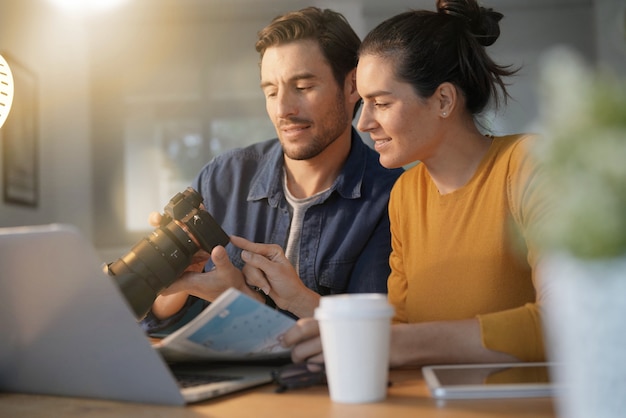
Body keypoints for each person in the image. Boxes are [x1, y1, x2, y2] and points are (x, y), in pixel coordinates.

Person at [278, 0, 548, 367]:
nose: (364, 123)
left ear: (443, 100)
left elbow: (566, 321)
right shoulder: (406, 193)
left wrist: (390, 344)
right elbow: (401, 330)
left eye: (382, 103)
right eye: (365, 103)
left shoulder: (530, 165)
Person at [141, 7, 403, 332]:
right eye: (271, 91)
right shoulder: (223, 178)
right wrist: (176, 284)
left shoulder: (392, 198)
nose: (283, 110)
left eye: (303, 87)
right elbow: (156, 319)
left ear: (352, 87)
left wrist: (241, 301)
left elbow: (370, 337)